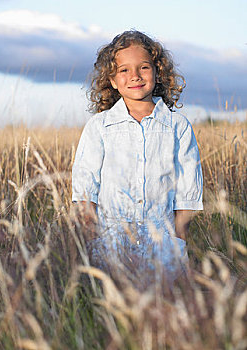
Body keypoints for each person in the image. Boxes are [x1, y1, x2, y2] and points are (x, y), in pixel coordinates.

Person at [72, 30, 203, 285]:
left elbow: (188, 193)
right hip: (110, 248)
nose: (134, 76)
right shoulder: (99, 127)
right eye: (124, 70)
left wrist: (177, 243)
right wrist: (93, 243)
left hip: (163, 250)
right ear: (111, 79)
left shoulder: (178, 126)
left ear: (157, 72)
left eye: (143, 67)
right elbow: (86, 190)